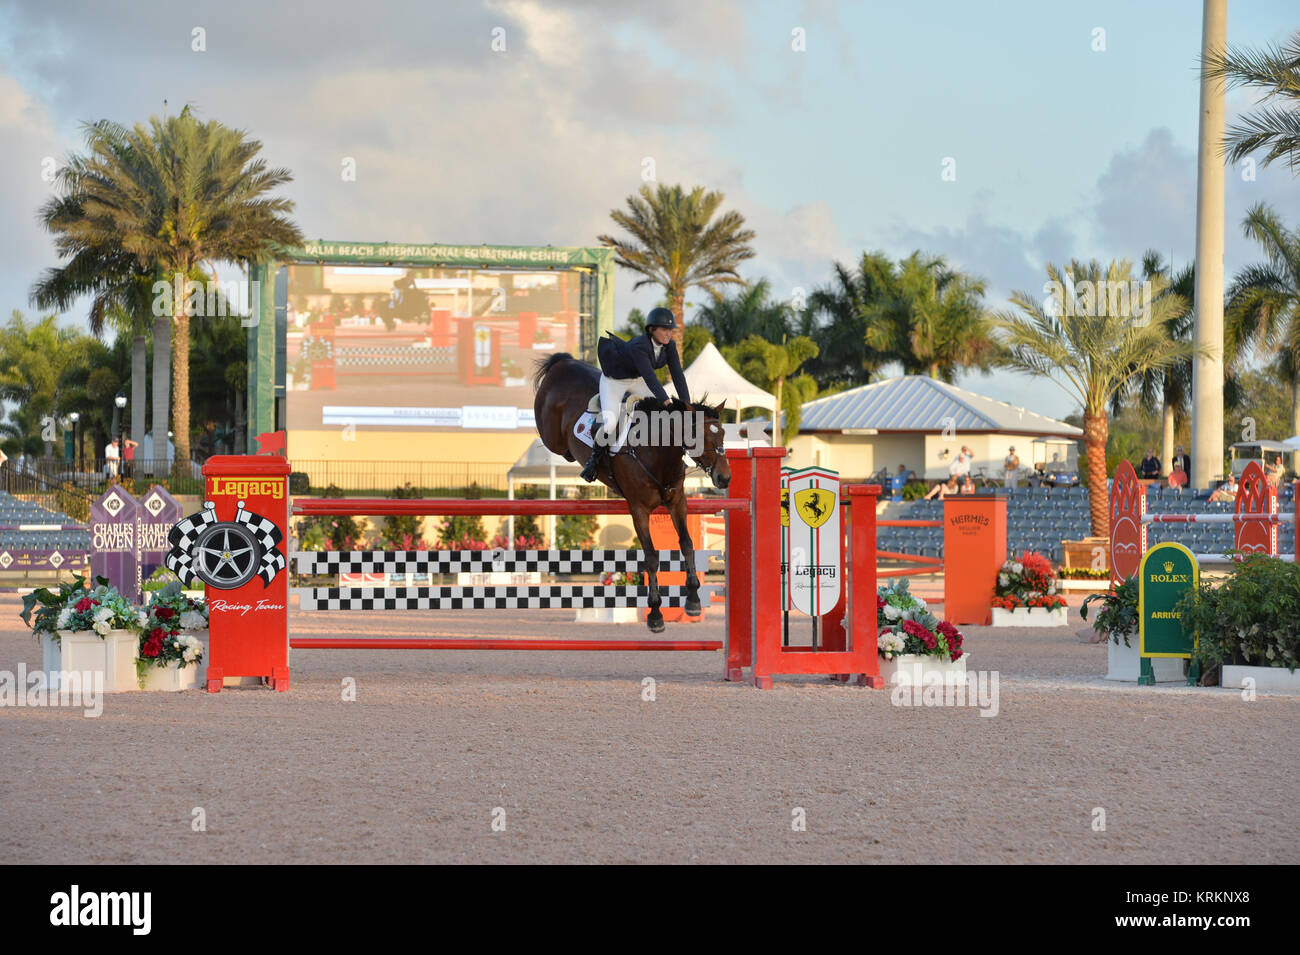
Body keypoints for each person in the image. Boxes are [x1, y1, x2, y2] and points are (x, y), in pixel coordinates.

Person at [582, 307, 691, 482]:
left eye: (670, 330)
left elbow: (678, 375)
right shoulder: (640, 346)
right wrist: (668, 403)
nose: (668, 333)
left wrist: (687, 405)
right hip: (614, 380)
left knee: (660, 414)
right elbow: (651, 378)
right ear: (652, 329)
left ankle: (667, 459)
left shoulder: (669, 346)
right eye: (664, 329)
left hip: (637, 379)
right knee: (610, 423)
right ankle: (593, 462)